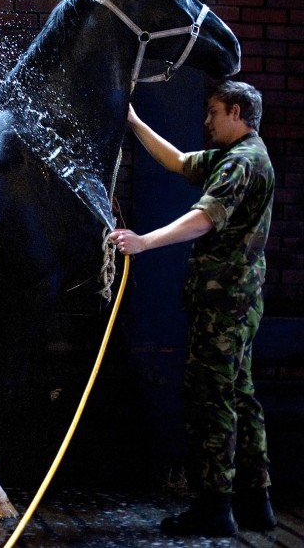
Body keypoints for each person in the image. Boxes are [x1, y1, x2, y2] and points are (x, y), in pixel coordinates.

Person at [109, 81, 276, 537]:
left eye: (214, 112)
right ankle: (256, 503)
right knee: (240, 395)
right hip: (238, 301)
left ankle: (214, 507)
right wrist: (135, 123)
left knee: (212, 400)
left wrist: (144, 242)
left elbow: (204, 218)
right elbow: (179, 163)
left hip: (224, 303)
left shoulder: (242, 162)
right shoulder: (237, 155)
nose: (206, 121)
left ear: (236, 112)